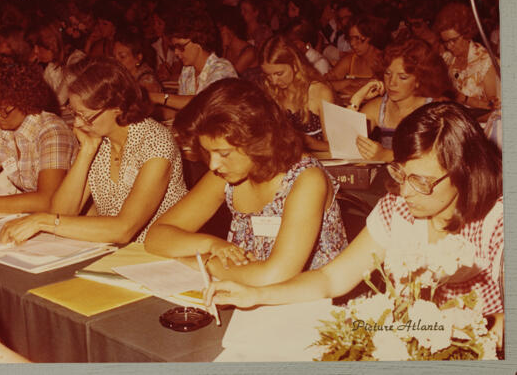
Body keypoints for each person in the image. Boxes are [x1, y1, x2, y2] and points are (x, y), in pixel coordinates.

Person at [205, 101, 504, 349]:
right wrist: (256, 295)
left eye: (421, 182)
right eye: (401, 174)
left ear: (464, 171)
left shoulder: (498, 223)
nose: (404, 192)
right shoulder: (396, 211)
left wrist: (469, 331)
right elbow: (330, 279)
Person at [145, 78, 348, 287]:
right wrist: (211, 244)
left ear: (258, 141)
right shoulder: (228, 174)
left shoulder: (306, 180)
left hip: (315, 305)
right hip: (246, 292)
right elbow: (156, 236)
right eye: (208, 152)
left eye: (224, 153)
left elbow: (275, 276)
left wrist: (206, 263)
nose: (214, 164)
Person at [0, 57, 187, 245]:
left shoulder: (156, 143)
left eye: (86, 116)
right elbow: (60, 212)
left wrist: (42, 221)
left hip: (152, 255)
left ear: (117, 107)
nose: (78, 124)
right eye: (75, 114)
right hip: (111, 252)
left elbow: (124, 229)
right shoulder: (100, 140)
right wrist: (86, 152)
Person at [0, 62, 78, 214]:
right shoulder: (6, 133)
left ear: (24, 100)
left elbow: (48, 200)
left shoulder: (52, 132)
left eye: (3, 110)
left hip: (69, 221)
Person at [348, 38, 453, 161]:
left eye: (402, 77)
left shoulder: (436, 109)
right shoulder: (378, 107)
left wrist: (386, 155)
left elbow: (441, 158)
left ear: (419, 80)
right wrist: (356, 99)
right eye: (387, 74)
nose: (392, 83)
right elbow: (344, 144)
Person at [147, 8, 237, 116]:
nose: (176, 52)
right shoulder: (187, 71)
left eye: (180, 46)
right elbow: (182, 112)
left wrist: (157, 97)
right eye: (174, 47)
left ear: (198, 42)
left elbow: (203, 103)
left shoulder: (222, 69)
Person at [259, 35, 336, 152]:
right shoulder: (270, 92)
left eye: (279, 74)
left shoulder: (319, 92)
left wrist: (305, 141)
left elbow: (335, 147)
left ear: (295, 65)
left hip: (320, 162)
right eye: (268, 75)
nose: (274, 81)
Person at [434, 2, 501, 111]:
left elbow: (495, 110)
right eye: (445, 41)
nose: (449, 46)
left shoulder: (486, 63)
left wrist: (463, 100)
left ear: (467, 33)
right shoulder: (447, 58)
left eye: (453, 40)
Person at [326, 15, 384, 102]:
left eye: (358, 38)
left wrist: (341, 87)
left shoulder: (384, 60)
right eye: (350, 38)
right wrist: (348, 82)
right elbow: (325, 83)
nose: (352, 44)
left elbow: (373, 92)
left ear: (371, 36)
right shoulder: (350, 59)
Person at [113, 29, 162, 97]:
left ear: (138, 58)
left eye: (122, 57)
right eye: (114, 56)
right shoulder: (123, 77)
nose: (116, 61)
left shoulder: (147, 82)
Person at [214, 5, 259, 78]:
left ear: (229, 29)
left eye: (221, 29)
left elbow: (227, 77)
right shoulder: (227, 49)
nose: (219, 33)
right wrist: (224, 48)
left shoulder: (249, 52)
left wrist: (225, 47)